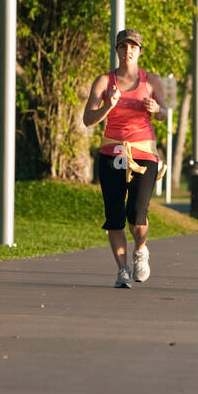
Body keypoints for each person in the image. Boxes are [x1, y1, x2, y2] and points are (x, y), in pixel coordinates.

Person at [82, 29, 165, 289]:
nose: (127, 51)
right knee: (115, 216)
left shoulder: (151, 81)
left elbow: (163, 113)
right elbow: (87, 119)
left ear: (140, 51)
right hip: (111, 153)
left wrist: (156, 109)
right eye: (123, 47)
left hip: (143, 154)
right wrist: (108, 106)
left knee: (137, 213)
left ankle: (140, 249)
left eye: (133, 47)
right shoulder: (104, 82)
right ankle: (122, 270)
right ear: (116, 51)